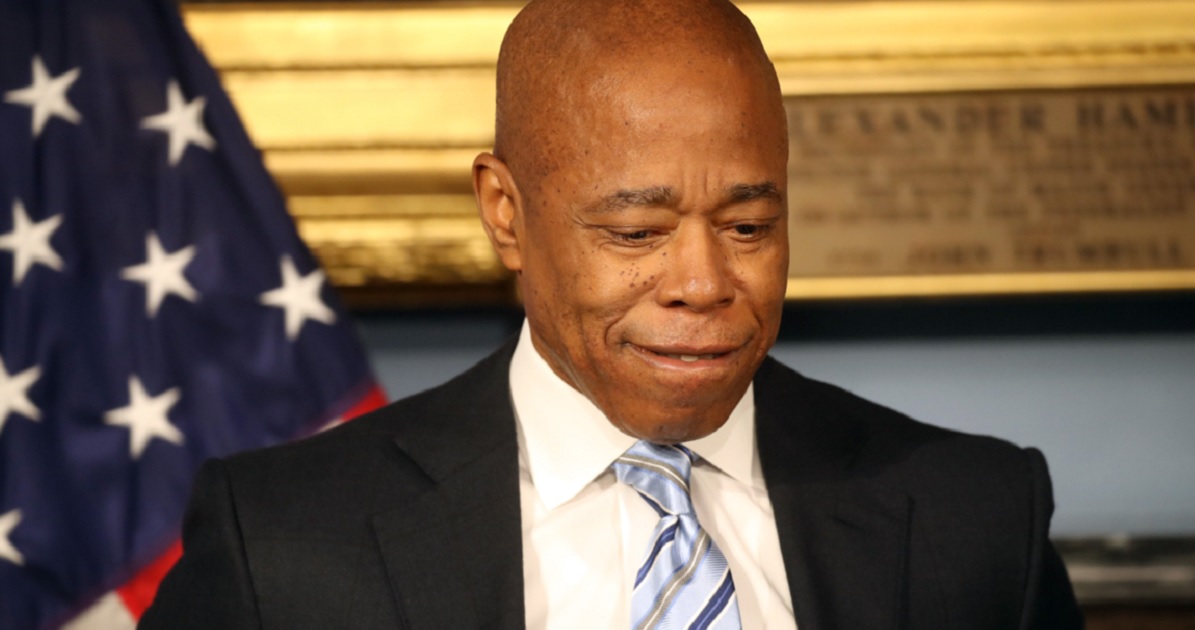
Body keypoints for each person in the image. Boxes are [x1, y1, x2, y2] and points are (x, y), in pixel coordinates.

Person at [141, 0, 1083, 628]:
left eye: (750, 224)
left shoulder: (975, 518)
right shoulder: (283, 544)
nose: (704, 282)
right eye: (637, 232)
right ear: (506, 214)